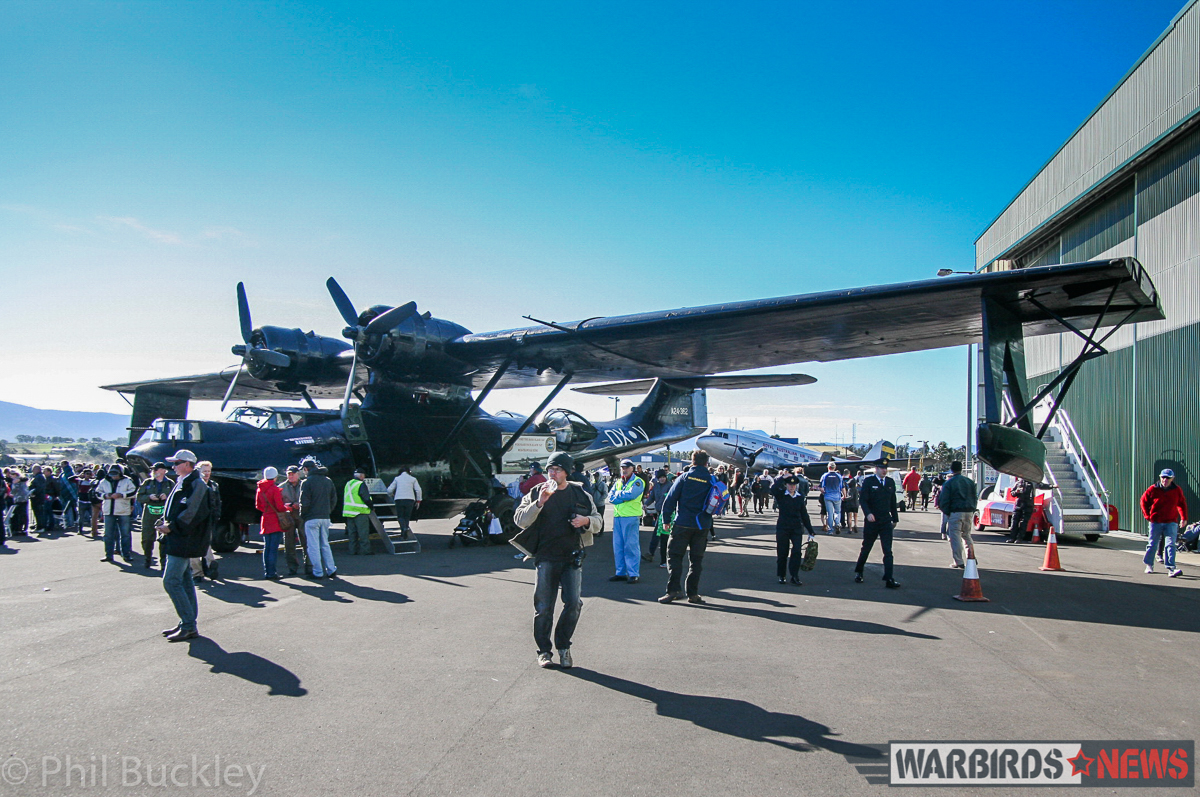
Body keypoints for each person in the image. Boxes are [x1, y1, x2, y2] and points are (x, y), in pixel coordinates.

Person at [512, 451, 601, 668]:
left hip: (571, 557)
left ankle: (563, 646)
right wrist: (539, 503)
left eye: (558, 469)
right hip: (545, 556)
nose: (553, 473)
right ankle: (544, 651)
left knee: (573, 604)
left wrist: (586, 520)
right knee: (543, 607)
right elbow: (519, 520)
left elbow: (598, 521)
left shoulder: (580, 494)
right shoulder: (537, 491)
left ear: (567, 472)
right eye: (550, 469)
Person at [158, 450, 211, 641]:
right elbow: (178, 509)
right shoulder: (185, 482)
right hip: (179, 537)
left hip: (184, 539)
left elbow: (192, 513)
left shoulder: (196, 484)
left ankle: (189, 624)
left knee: (171, 581)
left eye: (177, 463)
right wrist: (165, 522)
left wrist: (171, 527)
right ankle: (187, 622)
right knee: (185, 580)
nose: (173, 466)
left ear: (188, 464)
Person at [659, 450, 716, 605]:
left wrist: (666, 519)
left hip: (683, 523)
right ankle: (693, 593)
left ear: (692, 461)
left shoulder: (684, 477)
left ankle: (674, 591)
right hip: (702, 525)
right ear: (706, 463)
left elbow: (670, 499)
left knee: (674, 556)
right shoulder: (711, 479)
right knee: (696, 560)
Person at [854, 460, 900, 588]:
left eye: (885, 468)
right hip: (872, 521)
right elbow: (863, 500)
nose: (884, 470)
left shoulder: (890, 482)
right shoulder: (869, 482)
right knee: (866, 547)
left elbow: (892, 501)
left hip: (885, 520)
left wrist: (895, 518)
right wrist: (868, 513)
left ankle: (889, 578)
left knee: (888, 550)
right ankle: (859, 571)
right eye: (881, 468)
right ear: (876, 469)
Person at [1140, 468, 1186, 577]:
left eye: (1168, 478)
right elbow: (1143, 501)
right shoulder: (1153, 489)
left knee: (1170, 544)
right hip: (1155, 522)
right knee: (1152, 544)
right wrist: (1147, 515)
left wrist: (1183, 518)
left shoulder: (1177, 490)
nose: (1165, 480)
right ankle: (1149, 564)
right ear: (1160, 478)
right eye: (1163, 477)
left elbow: (1182, 504)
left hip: (1171, 521)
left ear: (1172, 479)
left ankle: (1171, 568)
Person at [607, 458, 646, 583]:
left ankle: (634, 573)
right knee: (618, 546)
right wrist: (622, 496)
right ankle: (620, 572)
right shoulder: (619, 481)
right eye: (623, 467)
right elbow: (610, 497)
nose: (624, 469)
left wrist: (619, 495)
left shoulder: (638, 481)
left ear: (632, 468)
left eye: (627, 467)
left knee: (631, 546)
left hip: (630, 517)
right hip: (618, 517)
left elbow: (631, 495)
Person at [299, 458, 338, 579]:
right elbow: (334, 499)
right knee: (325, 544)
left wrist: (303, 515)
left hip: (311, 517)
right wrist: (328, 511)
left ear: (306, 469)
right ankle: (331, 569)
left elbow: (304, 502)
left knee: (313, 546)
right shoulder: (328, 480)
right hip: (325, 516)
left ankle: (318, 572)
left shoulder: (306, 482)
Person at [936, 460, 978, 569]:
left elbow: (944, 500)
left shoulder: (949, 483)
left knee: (955, 537)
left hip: (955, 512)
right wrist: (972, 509)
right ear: (961, 469)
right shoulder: (969, 482)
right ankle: (971, 557)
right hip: (969, 511)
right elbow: (975, 497)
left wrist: (947, 512)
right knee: (967, 535)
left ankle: (958, 561)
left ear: (951, 469)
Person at [775, 475, 812, 585]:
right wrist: (782, 477)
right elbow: (773, 488)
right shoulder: (781, 495)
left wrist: (810, 529)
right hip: (783, 527)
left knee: (796, 552)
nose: (792, 487)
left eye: (794, 485)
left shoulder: (800, 497)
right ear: (786, 485)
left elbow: (804, 515)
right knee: (782, 552)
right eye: (790, 484)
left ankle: (794, 575)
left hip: (796, 528)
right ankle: (782, 575)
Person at [95, 464, 136, 563]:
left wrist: (122, 495)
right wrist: (106, 495)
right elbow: (97, 493)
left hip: (123, 511)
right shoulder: (104, 481)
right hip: (108, 511)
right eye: (112, 474)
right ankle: (108, 555)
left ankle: (126, 554)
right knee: (108, 534)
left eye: (116, 474)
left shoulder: (127, 481)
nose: (114, 476)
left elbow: (134, 492)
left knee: (125, 534)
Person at [136, 462, 174, 569]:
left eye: (156, 470)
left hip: (164, 513)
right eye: (153, 470)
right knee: (147, 538)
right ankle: (147, 558)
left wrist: (166, 496)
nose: (154, 472)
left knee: (164, 539)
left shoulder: (170, 483)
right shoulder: (147, 482)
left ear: (163, 470)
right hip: (149, 512)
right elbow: (139, 497)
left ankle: (164, 562)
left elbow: (175, 498)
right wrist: (149, 497)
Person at [255, 466, 288, 579]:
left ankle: (267, 572)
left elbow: (258, 505)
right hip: (275, 520)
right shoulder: (274, 489)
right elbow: (279, 507)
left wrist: (266, 511)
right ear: (275, 477)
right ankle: (272, 573)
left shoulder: (260, 488)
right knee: (273, 548)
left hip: (265, 519)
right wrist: (287, 508)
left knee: (267, 547)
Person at [191, 461, 220, 581]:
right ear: (198, 471)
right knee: (193, 546)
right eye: (204, 471)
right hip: (194, 520)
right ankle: (197, 572)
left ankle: (210, 565)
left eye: (209, 471)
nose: (207, 473)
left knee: (206, 543)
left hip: (208, 520)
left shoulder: (214, 485)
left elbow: (217, 502)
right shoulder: (194, 484)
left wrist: (217, 515)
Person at [278, 465, 308, 575]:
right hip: (287, 517)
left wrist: (300, 505)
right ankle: (292, 568)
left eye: (292, 474)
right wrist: (287, 506)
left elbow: (309, 499)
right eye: (288, 474)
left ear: (298, 474)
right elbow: (278, 503)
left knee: (306, 541)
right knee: (289, 544)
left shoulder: (305, 485)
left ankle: (308, 566)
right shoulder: (281, 487)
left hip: (302, 516)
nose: (290, 476)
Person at [342, 466, 375, 555]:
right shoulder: (360, 484)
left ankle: (353, 550)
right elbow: (366, 498)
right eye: (364, 476)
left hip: (349, 512)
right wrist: (372, 507)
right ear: (361, 476)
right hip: (359, 512)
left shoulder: (348, 483)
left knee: (352, 533)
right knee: (363, 533)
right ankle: (366, 550)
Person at [642, 470, 672, 567]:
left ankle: (665, 559)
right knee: (656, 535)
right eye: (660, 477)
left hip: (668, 514)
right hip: (659, 513)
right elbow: (652, 497)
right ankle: (651, 554)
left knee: (664, 537)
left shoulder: (670, 486)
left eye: (663, 477)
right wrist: (646, 504)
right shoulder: (656, 486)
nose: (662, 479)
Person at [386, 465, 421, 539]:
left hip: (399, 499)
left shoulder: (397, 479)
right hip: (410, 500)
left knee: (400, 516)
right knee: (407, 517)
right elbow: (418, 490)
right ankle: (405, 530)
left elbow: (389, 490)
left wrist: (391, 494)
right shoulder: (413, 479)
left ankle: (403, 529)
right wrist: (418, 500)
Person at [819, 463, 843, 535]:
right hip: (837, 496)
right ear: (835, 467)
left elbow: (821, 487)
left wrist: (824, 492)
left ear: (828, 467)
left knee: (829, 513)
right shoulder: (839, 476)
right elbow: (842, 487)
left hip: (828, 496)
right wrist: (844, 495)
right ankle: (837, 523)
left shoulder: (824, 476)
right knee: (837, 512)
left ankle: (830, 530)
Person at [841, 468, 859, 534]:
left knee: (850, 516)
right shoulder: (856, 490)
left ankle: (850, 528)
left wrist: (844, 498)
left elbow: (850, 497)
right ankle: (856, 525)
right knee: (855, 516)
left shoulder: (850, 490)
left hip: (850, 504)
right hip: (856, 504)